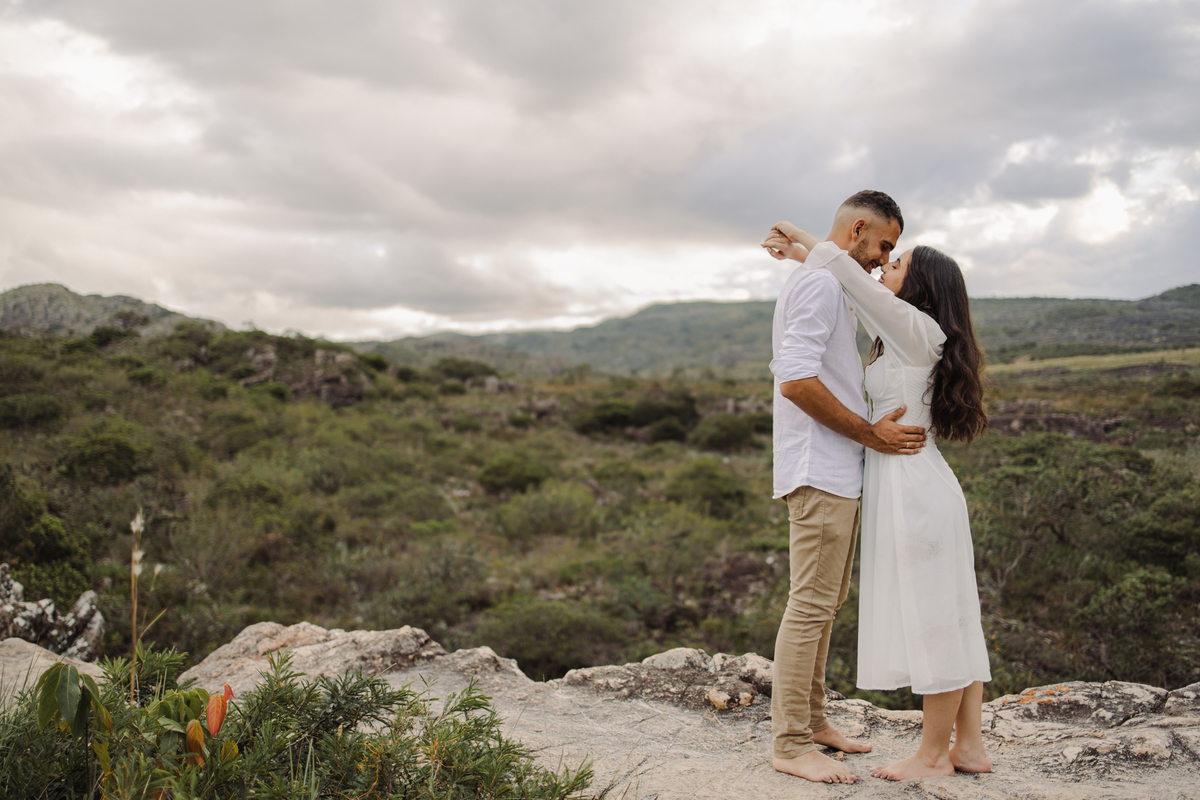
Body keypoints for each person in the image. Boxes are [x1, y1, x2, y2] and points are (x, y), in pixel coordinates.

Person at [763, 221, 993, 781]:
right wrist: (802, 255)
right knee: (954, 617)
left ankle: (932, 757)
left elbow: (849, 275)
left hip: (917, 494)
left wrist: (799, 235)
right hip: (909, 487)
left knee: (938, 621)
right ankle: (969, 747)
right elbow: (847, 281)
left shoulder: (917, 328)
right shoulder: (900, 329)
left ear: (921, 286)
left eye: (896, 262)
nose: (883, 266)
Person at [764, 190, 929, 785]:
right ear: (859, 229)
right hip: (820, 467)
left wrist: (793, 238)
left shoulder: (828, 279)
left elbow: (825, 258)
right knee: (810, 605)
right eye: (884, 244)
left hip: (836, 469)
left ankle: (812, 723)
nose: (884, 259)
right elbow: (795, 380)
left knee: (825, 604)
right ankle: (789, 743)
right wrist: (870, 434)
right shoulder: (819, 285)